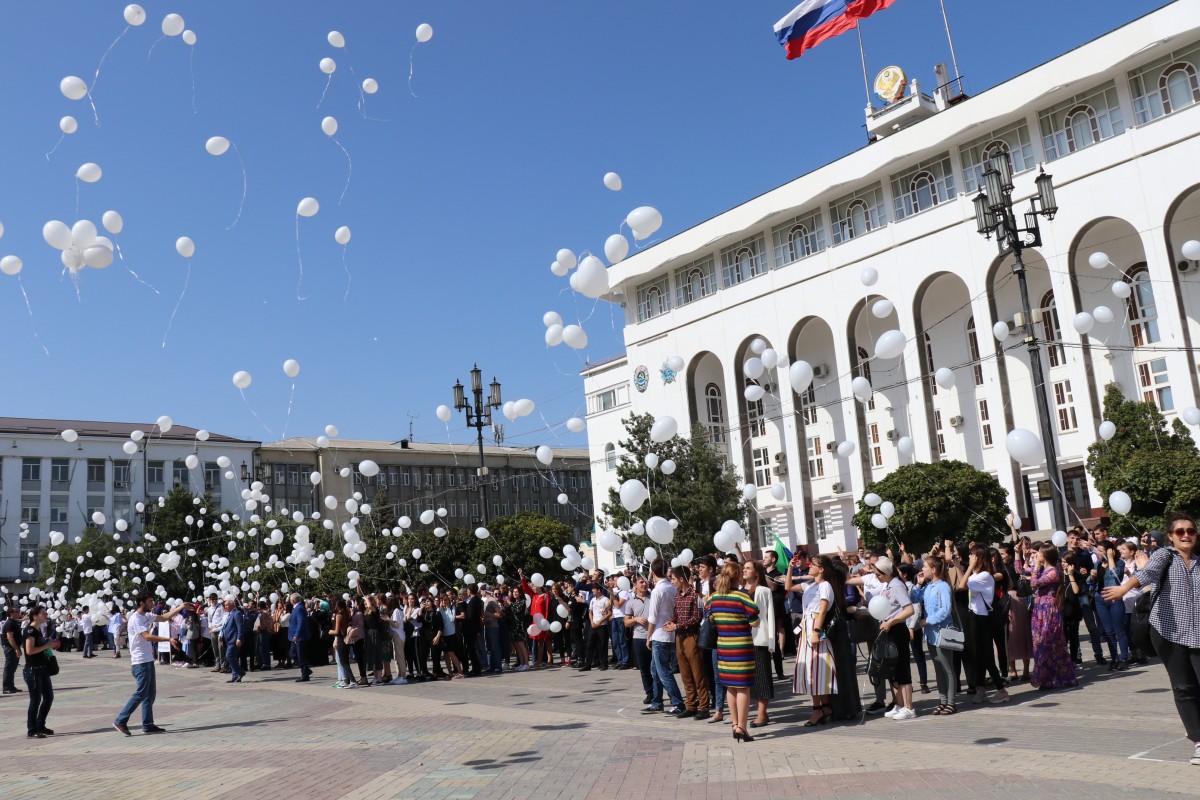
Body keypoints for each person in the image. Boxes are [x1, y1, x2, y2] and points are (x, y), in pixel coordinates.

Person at [1103, 512, 1200, 766]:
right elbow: (1149, 574)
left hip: (1198, 634)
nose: (1186, 535)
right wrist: (1125, 588)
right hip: (1167, 632)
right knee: (1184, 688)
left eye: (1191, 531)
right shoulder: (1164, 556)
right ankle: (1199, 742)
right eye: (1180, 531)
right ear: (1170, 536)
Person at [849, 556, 917, 720]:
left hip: (897, 629)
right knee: (892, 669)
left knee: (902, 669)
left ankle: (909, 707)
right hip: (888, 629)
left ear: (886, 573)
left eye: (878, 574)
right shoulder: (888, 585)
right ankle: (899, 704)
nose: (876, 577)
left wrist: (892, 621)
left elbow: (909, 609)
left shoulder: (897, 586)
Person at [114, 595, 184, 735]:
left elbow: (164, 618)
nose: (152, 603)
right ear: (141, 603)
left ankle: (148, 724)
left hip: (147, 660)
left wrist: (181, 607)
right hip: (140, 662)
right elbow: (147, 636)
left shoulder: (146, 615)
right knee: (141, 693)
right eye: (150, 601)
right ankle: (120, 720)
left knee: (150, 695)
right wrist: (168, 639)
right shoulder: (136, 618)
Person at [709, 561, 759, 742]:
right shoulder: (742, 596)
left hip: (723, 646)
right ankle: (742, 727)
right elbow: (755, 621)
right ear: (738, 577)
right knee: (743, 688)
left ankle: (734, 723)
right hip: (741, 647)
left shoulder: (713, 598)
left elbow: (711, 617)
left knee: (730, 686)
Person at [959, 547, 1009, 705]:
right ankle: (981, 688)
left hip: (983, 618)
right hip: (975, 616)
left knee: (986, 655)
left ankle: (1001, 690)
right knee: (976, 654)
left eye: (973, 556)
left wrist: (968, 567)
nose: (971, 558)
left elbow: (962, 585)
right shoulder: (976, 575)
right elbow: (964, 581)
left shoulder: (985, 576)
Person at [1029, 545, 1077, 690]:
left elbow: (1034, 583)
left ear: (1047, 555)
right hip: (1039, 609)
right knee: (1039, 643)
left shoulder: (1053, 572)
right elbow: (1019, 570)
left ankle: (1056, 678)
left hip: (1048, 609)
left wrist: (1036, 566)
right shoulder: (1044, 570)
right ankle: (1046, 679)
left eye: (1040, 552)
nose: (1037, 554)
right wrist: (1019, 554)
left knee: (1048, 642)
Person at [916, 555, 959, 715]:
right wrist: (918, 584)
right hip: (931, 634)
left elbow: (945, 610)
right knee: (938, 668)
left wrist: (927, 620)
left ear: (933, 569)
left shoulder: (943, 587)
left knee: (947, 668)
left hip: (943, 631)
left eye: (925, 567)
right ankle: (942, 700)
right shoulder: (928, 587)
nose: (922, 569)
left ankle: (951, 702)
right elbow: (914, 598)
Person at [643, 557, 685, 716]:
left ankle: (678, 703)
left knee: (663, 672)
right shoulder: (671, 587)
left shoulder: (657, 590)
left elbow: (652, 617)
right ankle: (657, 701)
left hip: (660, 635)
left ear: (652, 572)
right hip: (670, 633)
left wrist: (648, 636)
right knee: (655, 670)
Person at [666, 566, 708, 720]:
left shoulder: (695, 595)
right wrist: (671, 622)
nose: (672, 582)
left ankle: (704, 706)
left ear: (681, 579)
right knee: (685, 674)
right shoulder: (677, 596)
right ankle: (690, 705)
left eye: (673, 579)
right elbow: (676, 615)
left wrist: (677, 626)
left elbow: (697, 618)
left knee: (698, 673)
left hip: (692, 636)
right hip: (679, 637)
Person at [741, 560, 775, 728]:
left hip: (758, 638)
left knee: (761, 676)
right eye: (744, 568)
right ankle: (756, 712)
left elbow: (770, 616)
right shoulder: (738, 591)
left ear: (757, 572)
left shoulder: (764, 591)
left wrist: (771, 641)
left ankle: (762, 714)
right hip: (740, 640)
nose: (744, 570)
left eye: (748, 568)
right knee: (746, 679)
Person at [22, 605, 58, 738]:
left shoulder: (37, 630)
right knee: (35, 700)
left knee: (49, 697)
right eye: (43, 613)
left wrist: (49, 645)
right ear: (35, 616)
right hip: (33, 670)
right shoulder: (30, 631)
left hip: (42, 669)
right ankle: (32, 730)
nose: (46, 615)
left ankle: (40, 724)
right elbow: (29, 651)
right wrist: (46, 645)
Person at [1094, 541, 1130, 670]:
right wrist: (1091, 577)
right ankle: (1114, 658)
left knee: (1119, 631)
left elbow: (1115, 575)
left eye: (1101, 550)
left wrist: (1110, 558)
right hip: (1100, 598)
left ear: (1110, 551)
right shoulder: (1098, 564)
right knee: (1108, 631)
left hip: (1114, 597)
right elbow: (1092, 583)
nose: (1099, 553)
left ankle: (1124, 658)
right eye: (1098, 551)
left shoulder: (1119, 562)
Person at [625, 576, 655, 706]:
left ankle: (660, 692)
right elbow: (626, 622)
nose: (644, 584)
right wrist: (636, 619)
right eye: (641, 582)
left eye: (646, 582)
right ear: (635, 584)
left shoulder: (653, 597)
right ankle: (649, 692)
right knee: (644, 668)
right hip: (638, 638)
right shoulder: (630, 602)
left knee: (657, 668)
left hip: (655, 637)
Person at [583, 583, 611, 671]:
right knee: (590, 645)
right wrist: (591, 621)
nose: (593, 591)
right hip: (593, 625)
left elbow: (610, 613)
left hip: (602, 625)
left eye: (594, 589)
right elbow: (590, 612)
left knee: (603, 645)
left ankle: (604, 664)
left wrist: (601, 621)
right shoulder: (592, 600)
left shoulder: (605, 600)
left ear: (598, 590)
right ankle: (588, 665)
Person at [220, 598, 245, 683]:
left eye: (227, 605)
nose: (225, 607)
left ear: (232, 605)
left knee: (229, 656)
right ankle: (235, 676)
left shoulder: (237, 613)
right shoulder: (229, 614)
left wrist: (239, 639)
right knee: (233, 657)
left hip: (234, 640)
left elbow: (240, 627)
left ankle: (240, 672)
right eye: (225, 605)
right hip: (228, 640)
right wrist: (221, 635)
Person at [290, 592, 312, 682]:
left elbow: (301, 622)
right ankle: (306, 669)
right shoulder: (296, 608)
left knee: (300, 656)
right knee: (293, 654)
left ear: (293, 600)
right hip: (294, 636)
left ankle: (305, 674)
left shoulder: (299, 608)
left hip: (299, 637)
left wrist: (297, 635)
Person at [3, 608, 23, 694]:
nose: (19, 613)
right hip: (10, 648)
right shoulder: (9, 623)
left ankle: (11, 686)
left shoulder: (13, 622)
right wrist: (16, 648)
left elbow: (19, 620)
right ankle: (6, 687)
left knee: (12, 668)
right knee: (9, 668)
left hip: (13, 647)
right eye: (17, 611)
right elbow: (10, 637)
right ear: (11, 613)